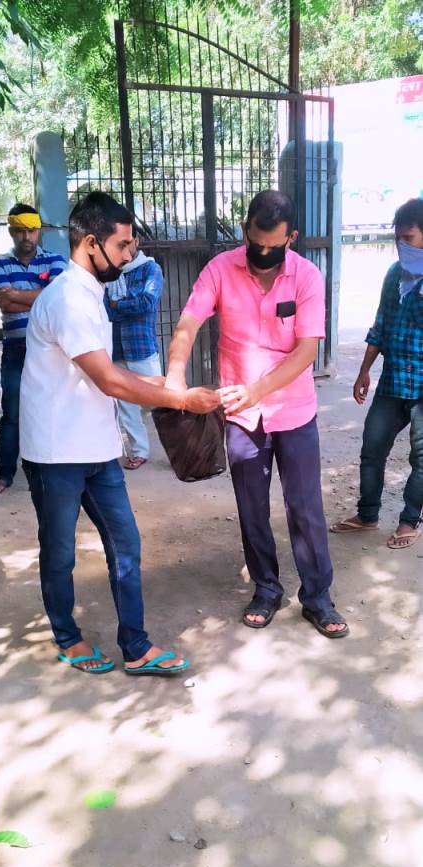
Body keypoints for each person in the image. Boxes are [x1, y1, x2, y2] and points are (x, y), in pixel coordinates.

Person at [20, 191, 219, 675]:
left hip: (97, 447)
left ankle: (136, 646)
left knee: (125, 544)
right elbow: (108, 380)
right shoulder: (67, 299)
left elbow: (104, 370)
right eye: (123, 245)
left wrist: (165, 384)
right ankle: (68, 638)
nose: (130, 255)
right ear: (91, 243)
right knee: (60, 551)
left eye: (132, 245)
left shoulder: (92, 292)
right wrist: (178, 400)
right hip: (55, 452)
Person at [166, 189, 348, 638]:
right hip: (242, 418)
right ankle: (266, 589)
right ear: (246, 229)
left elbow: (306, 351)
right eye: (255, 242)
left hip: (293, 412)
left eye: (273, 245)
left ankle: (318, 597)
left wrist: (257, 390)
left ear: (292, 238)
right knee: (251, 508)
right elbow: (188, 323)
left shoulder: (307, 276)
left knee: (305, 507)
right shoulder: (219, 269)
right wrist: (174, 377)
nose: (263, 253)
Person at [331, 197, 423, 550]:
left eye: (409, 238)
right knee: (372, 447)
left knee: (421, 458)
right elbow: (381, 325)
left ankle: (409, 521)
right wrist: (363, 371)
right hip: (393, 381)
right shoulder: (394, 274)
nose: (402, 245)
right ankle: (367, 514)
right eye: (398, 239)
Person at [0, 203, 67, 495]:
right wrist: (41, 296)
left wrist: (19, 295)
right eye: (20, 230)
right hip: (16, 349)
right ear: (11, 231)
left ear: (39, 231)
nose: (27, 236)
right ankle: (5, 473)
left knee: (53, 408)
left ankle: (56, 469)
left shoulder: (57, 260)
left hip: (50, 350)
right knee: (12, 412)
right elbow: (5, 303)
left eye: (32, 230)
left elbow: (59, 299)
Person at [105, 224, 164, 470]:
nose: (124, 248)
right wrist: (123, 306)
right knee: (126, 407)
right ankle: (139, 452)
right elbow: (105, 310)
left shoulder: (151, 269)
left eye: (127, 242)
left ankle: (184, 449)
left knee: (163, 403)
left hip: (142, 348)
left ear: (136, 242)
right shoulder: (110, 272)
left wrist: (118, 305)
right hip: (116, 348)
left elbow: (147, 302)